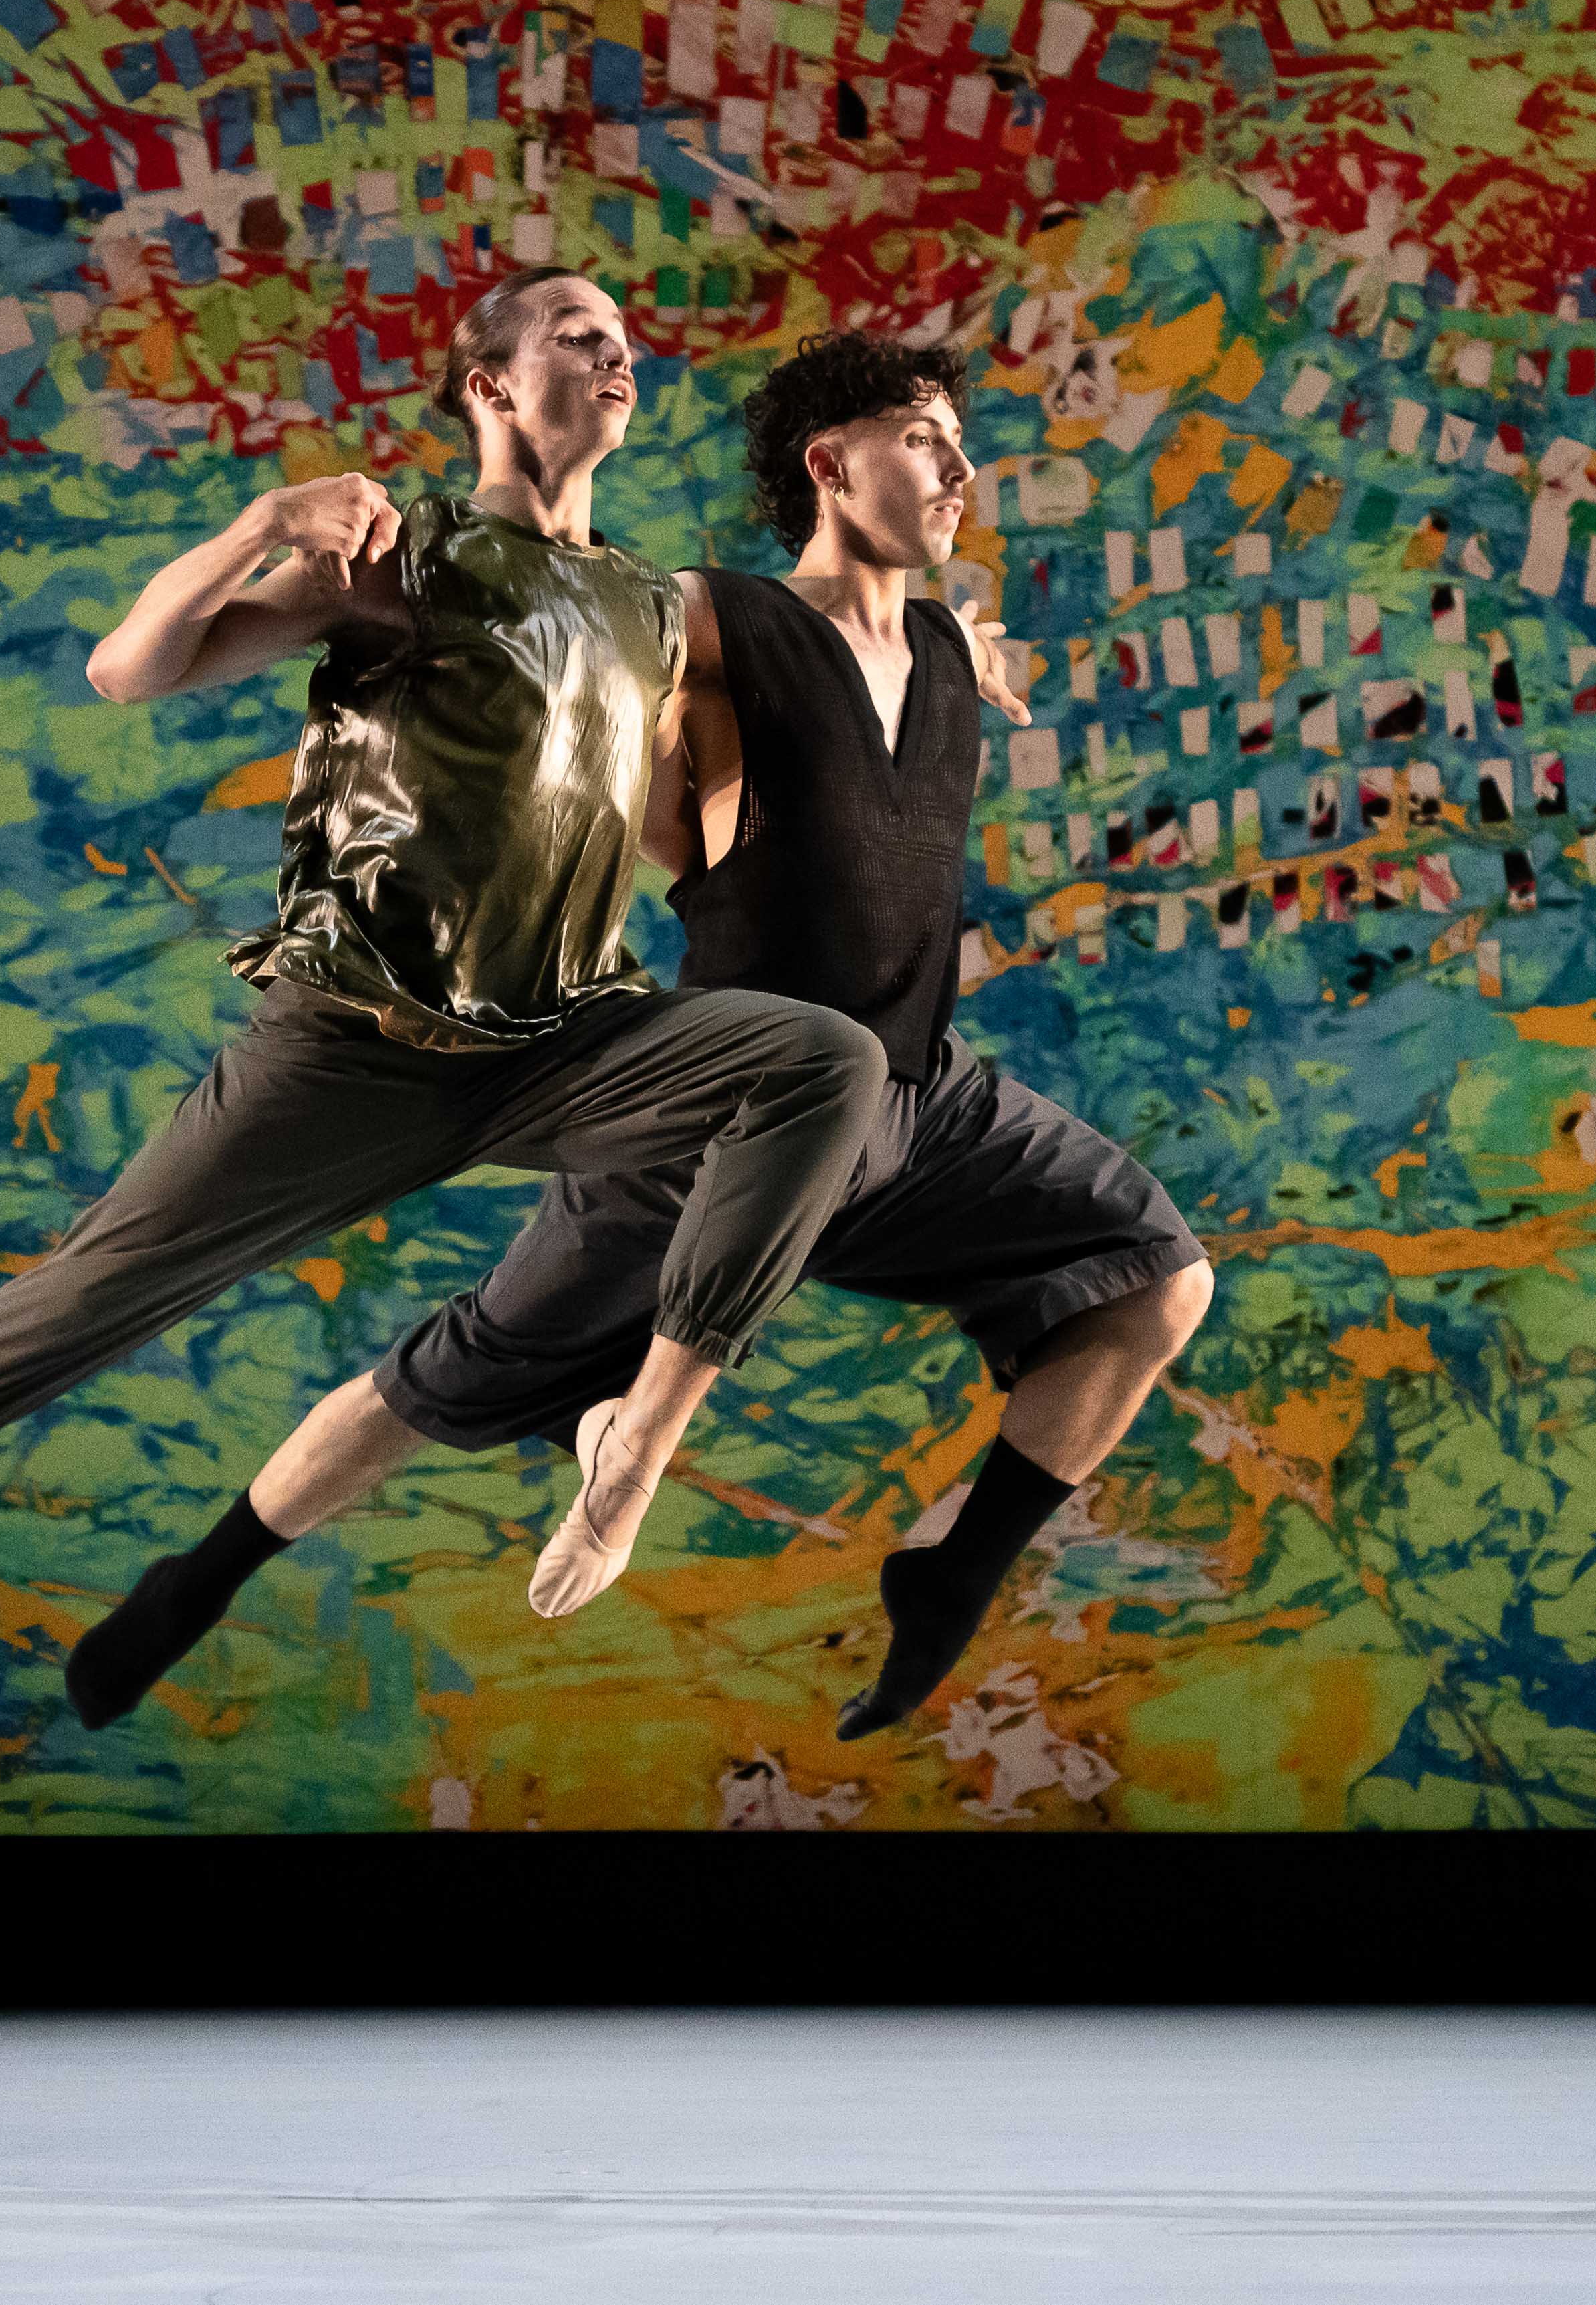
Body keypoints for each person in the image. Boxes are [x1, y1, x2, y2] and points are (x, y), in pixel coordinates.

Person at [61, 331, 1215, 1739]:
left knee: (1156, 1280)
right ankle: (200, 1577)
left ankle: (951, 1574)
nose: (961, 469)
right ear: (830, 463)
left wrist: (963, 646)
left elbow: (904, 711)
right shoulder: (709, 615)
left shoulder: (939, 646)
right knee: (449, 1376)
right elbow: (563, 642)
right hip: (734, 1115)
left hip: (922, 1099)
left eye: (961, 445)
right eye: (926, 438)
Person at [0, 272, 885, 1645]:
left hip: (557, 1042)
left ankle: (638, 1433)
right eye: (579, 337)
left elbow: (650, 812)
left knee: (822, 1061)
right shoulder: (403, 553)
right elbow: (128, 669)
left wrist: (911, 684)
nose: (617, 357)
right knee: (109, 1277)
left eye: (627, 343)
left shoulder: (645, 604)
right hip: (359, 1041)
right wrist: (265, 524)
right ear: (490, 386)